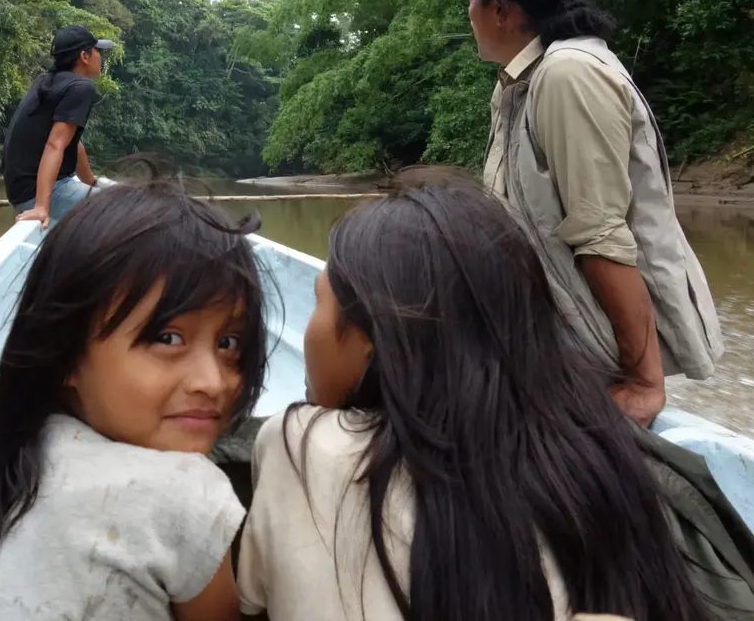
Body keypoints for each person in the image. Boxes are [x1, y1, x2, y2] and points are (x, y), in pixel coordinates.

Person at [236, 168, 713, 621]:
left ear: (373, 341)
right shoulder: (595, 456)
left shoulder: (294, 443)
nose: (312, 328)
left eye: (320, 300)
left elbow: (251, 601)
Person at [0, 182, 268, 621]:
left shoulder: (24, 446)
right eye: (168, 338)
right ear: (66, 353)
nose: (213, 382)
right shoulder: (187, 491)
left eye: (229, 343)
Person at [467, 0, 723, 427]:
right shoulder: (522, 80)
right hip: (552, 332)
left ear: (500, 7)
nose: (468, 15)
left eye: (471, 0)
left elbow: (601, 233)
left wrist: (643, 382)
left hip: (591, 340)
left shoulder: (568, 74)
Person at [3, 25, 114, 229]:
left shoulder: (46, 80)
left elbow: (71, 141)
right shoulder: (80, 87)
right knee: (132, 209)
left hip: (21, 191)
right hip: (40, 193)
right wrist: (41, 206)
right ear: (85, 56)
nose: (101, 56)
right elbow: (55, 145)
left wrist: (90, 180)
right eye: (98, 50)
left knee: (120, 198)